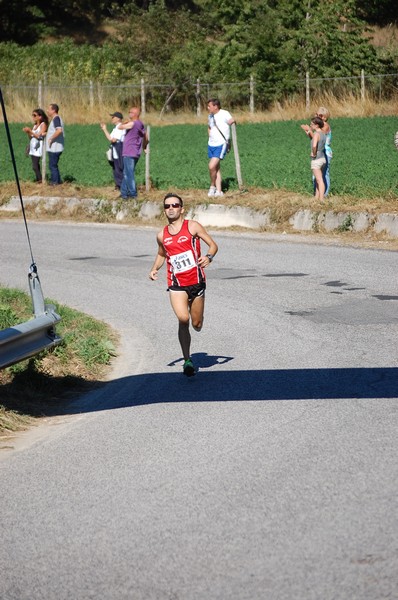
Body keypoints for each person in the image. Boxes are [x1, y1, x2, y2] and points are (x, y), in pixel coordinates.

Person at [149, 193, 218, 376]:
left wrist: (209, 257)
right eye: (167, 206)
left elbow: (213, 245)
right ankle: (187, 360)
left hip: (196, 282)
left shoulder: (193, 226)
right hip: (176, 284)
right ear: (164, 210)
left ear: (181, 208)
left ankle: (196, 317)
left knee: (196, 324)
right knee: (183, 319)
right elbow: (162, 254)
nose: (171, 208)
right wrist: (154, 268)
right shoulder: (162, 235)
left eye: (175, 205)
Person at [207, 98, 235, 197]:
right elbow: (209, 127)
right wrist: (210, 136)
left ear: (215, 106)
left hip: (221, 144)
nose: (208, 108)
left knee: (211, 166)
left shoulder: (224, 113)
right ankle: (219, 191)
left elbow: (232, 122)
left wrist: (229, 141)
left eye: (209, 106)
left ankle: (212, 187)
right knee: (216, 168)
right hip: (211, 144)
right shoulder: (210, 116)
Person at [301, 106, 332, 196]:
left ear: (324, 117)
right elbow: (314, 138)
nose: (317, 116)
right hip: (320, 152)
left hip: (324, 152)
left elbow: (318, 137)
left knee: (324, 175)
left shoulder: (325, 126)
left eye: (320, 115)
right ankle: (317, 195)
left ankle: (324, 195)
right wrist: (309, 132)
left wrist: (309, 130)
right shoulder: (319, 127)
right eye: (316, 114)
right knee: (317, 176)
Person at [118, 106, 147, 199]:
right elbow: (146, 136)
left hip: (129, 152)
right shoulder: (140, 124)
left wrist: (123, 123)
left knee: (129, 174)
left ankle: (133, 194)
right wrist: (144, 147)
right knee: (126, 173)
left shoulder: (133, 123)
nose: (129, 113)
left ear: (135, 114)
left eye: (130, 112)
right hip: (135, 152)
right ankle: (124, 194)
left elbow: (120, 127)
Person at [100, 111, 125, 190]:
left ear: (118, 118)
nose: (112, 118)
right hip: (115, 149)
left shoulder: (120, 127)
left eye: (113, 117)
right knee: (115, 167)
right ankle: (118, 185)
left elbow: (113, 140)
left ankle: (122, 186)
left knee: (119, 167)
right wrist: (104, 129)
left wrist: (105, 130)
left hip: (119, 148)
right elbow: (110, 138)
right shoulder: (116, 128)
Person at [22, 108, 48, 183]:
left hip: (38, 147)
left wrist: (30, 131)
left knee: (35, 166)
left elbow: (39, 137)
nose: (33, 117)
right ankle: (39, 179)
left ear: (40, 116)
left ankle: (40, 180)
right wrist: (28, 132)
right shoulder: (35, 125)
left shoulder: (43, 125)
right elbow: (31, 137)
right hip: (33, 147)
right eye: (32, 115)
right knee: (35, 165)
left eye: (35, 115)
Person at [308, 116, 327, 201]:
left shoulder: (316, 134)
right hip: (323, 158)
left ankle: (321, 199)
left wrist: (314, 153)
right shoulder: (323, 134)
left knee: (319, 180)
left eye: (312, 124)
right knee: (318, 179)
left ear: (316, 125)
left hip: (317, 159)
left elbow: (315, 145)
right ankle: (316, 197)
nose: (311, 125)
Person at [46, 103, 64, 185]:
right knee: (54, 165)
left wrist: (51, 138)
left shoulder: (56, 119)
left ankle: (54, 183)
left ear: (53, 110)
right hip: (56, 147)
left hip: (55, 148)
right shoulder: (57, 119)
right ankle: (58, 181)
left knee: (52, 166)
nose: (47, 111)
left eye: (49, 109)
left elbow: (59, 130)